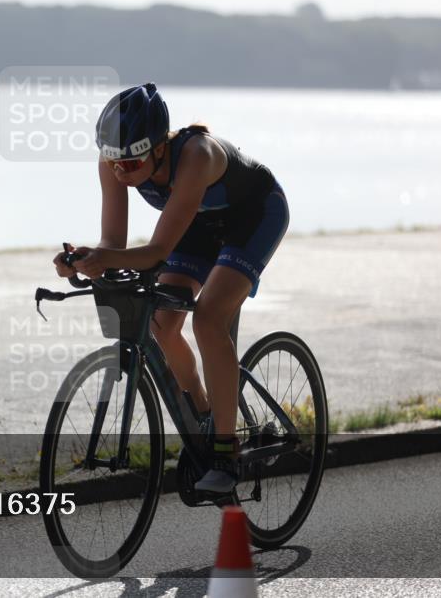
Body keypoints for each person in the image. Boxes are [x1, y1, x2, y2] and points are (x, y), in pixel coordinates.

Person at [52, 83, 289, 492]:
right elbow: (115, 245)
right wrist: (86, 260)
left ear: (160, 147)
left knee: (209, 319)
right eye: (114, 164)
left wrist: (104, 258)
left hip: (253, 218)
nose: (121, 173)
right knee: (162, 326)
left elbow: (158, 249)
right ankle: (204, 412)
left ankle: (225, 454)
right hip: (197, 227)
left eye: (131, 164)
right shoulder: (114, 163)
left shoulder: (197, 155)